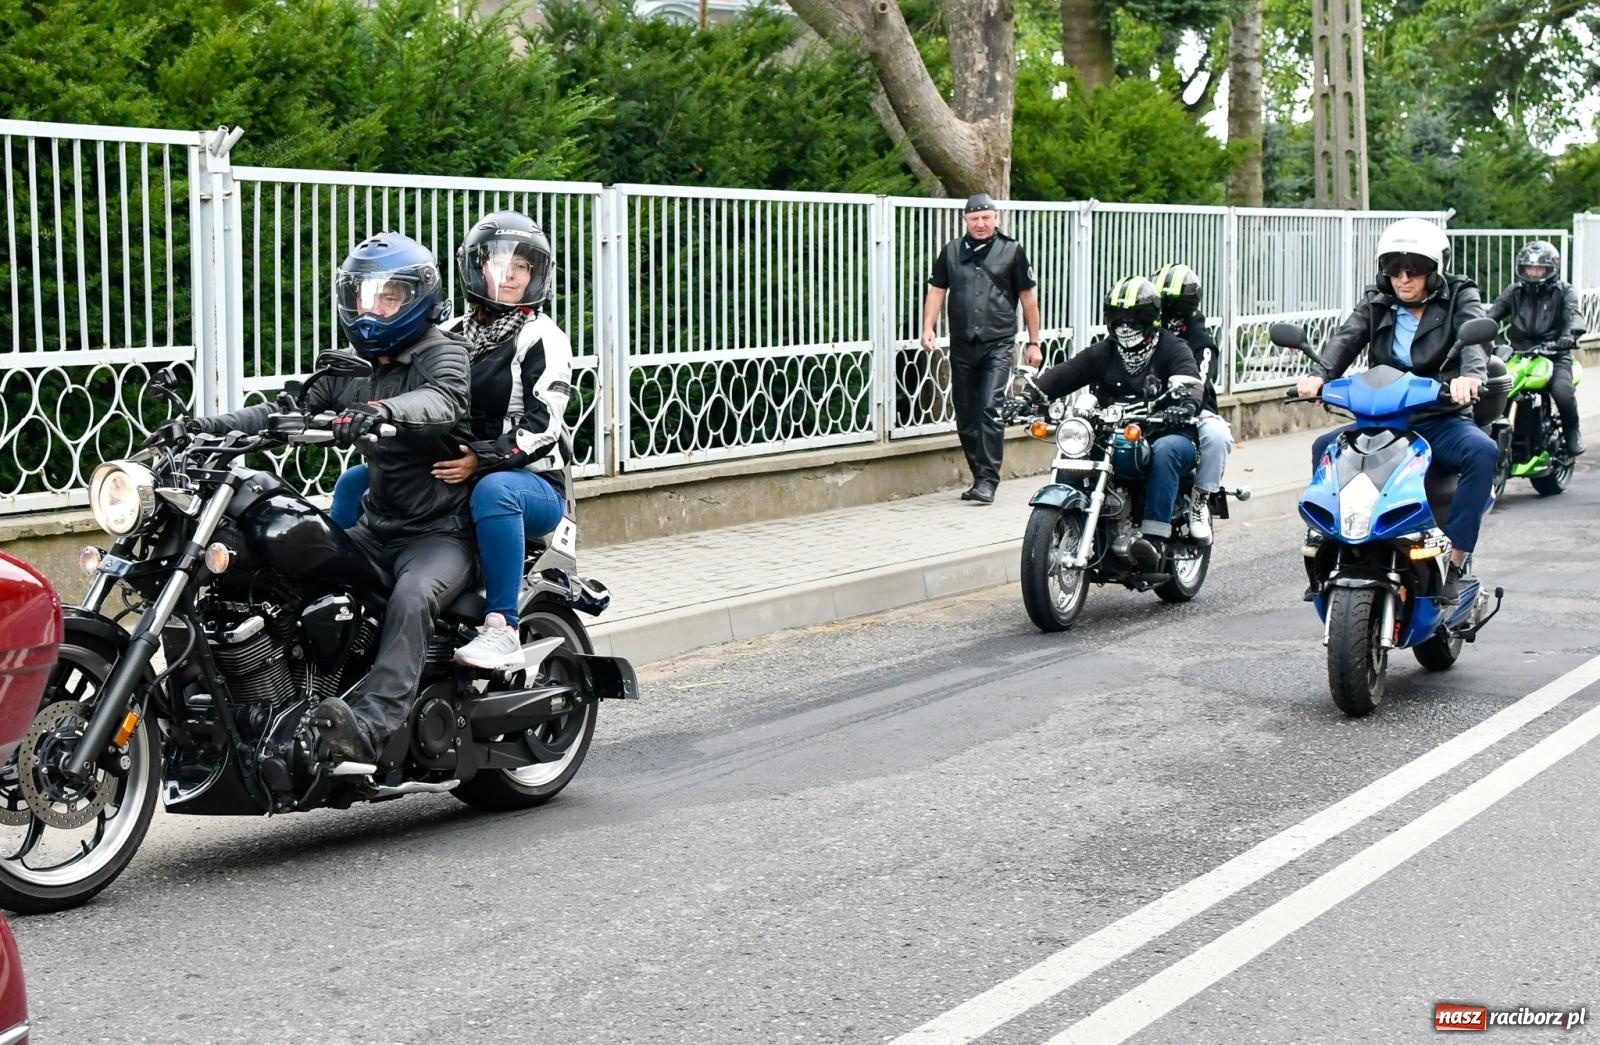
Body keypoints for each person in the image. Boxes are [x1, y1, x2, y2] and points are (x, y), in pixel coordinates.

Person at [191, 231, 474, 766]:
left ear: (419, 299)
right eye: (363, 297)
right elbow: (284, 411)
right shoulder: (349, 367)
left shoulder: (445, 353)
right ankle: (300, 701)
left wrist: (386, 412)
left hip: (440, 534)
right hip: (377, 527)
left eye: (387, 297)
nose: (372, 309)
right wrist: (209, 425)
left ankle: (370, 725)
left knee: (412, 597)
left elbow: (443, 401)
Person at [330, 211, 571, 671]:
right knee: (356, 481)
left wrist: (480, 461)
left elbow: (545, 426)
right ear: (476, 267)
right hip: (447, 468)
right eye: (499, 263)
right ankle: (336, 593)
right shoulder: (451, 333)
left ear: (536, 275)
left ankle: (502, 627)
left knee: (494, 491)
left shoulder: (543, 338)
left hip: (528, 481)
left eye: (521, 266)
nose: (509, 274)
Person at [1295, 217, 1494, 600]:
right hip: (1384, 419)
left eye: (1415, 270)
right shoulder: (1376, 301)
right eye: (1395, 269)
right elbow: (1347, 338)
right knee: (1325, 449)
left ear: (1435, 271)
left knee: (1482, 452)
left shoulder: (1460, 296)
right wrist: (1318, 375)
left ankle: (1454, 560)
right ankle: (1329, 550)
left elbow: (1474, 339)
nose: (1403, 278)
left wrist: (1470, 377)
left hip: (1439, 417)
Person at [1032, 277, 1203, 569]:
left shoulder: (1172, 348)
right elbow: (1066, 372)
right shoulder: (1105, 351)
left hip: (1167, 430)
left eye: (1136, 318)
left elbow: (1189, 377)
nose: (1125, 326)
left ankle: (1154, 537)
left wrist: (1184, 403)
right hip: (1112, 430)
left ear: (1152, 318)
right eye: (1117, 317)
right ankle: (1066, 528)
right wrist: (1029, 394)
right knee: (1080, 451)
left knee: (1165, 452)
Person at [920, 193, 1043, 504]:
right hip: (962, 344)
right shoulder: (950, 252)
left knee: (989, 407)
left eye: (986, 217)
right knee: (965, 412)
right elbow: (936, 291)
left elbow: (1028, 299)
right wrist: (928, 328)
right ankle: (979, 475)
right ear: (965, 221)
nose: (980, 223)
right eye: (974, 218)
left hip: (998, 343)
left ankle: (988, 480)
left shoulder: (1012, 250)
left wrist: (1034, 342)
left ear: (995, 218)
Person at [1151, 263, 1231, 545]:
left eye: (1173, 306)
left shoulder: (1202, 342)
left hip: (1193, 411)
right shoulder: (1146, 332)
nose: (1165, 313)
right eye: (1161, 304)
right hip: (1146, 408)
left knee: (1217, 436)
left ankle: (1200, 500)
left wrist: (1184, 403)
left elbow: (1199, 379)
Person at [1487, 239, 1587, 455]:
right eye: (1529, 268)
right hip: (1518, 353)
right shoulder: (1514, 292)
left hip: (1554, 353)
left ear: (1551, 269)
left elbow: (1574, 316)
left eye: (1539, 268)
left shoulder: (1564, 291)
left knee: (1562, 392)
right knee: (1496, 387)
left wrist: (1569, 335)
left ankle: (1572, 433)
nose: (1533, 272)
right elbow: (1491, 316)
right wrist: (1477, 330)